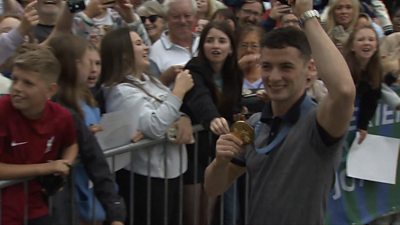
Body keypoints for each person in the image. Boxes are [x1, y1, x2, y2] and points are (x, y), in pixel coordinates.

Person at [204, 0, 356, 224]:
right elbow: (213, 188)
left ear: (309, 69)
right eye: (267, 66)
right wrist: (220, 162)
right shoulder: (256, 124)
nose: (274, 77)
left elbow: (344, 91)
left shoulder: (318, 122)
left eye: (286, 67)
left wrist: (306, 15)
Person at [100, 27, 194, 225]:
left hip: (173, 172)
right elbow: (154, 126)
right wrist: (179, 90)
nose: (146, 48)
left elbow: (171, 111)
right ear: (123, 54)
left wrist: (183, 117)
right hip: (148, 179)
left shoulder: (149, 80)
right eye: (138, 44)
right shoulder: (120, 91)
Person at [47, 33, 125, 225]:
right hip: (71, 192)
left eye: (97, 63)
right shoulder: (61, 109)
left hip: (90, 186)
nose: (92, 69)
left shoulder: (89, 99)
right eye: (86, 62)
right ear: (74, 65)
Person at [0, 44, 78, 225]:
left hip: (35, 208)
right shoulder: (3, 111)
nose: (17, 88)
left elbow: (71, 144)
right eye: (15, 79)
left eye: (28, 83)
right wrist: (47, 168)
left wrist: (65, 164)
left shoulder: (62, 116)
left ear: (50, 90)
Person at [181, 21, 242, 225]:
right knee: (193, 213)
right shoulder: (194, 67)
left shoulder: (234, 72)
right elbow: (199, 97)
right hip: (193, 150)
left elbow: (234, 105)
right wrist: (212, 118)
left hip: (216, 149)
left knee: (208, 211)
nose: (216, 46)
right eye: (210, 40)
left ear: (231, 48)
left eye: (222, 41)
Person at [343, 25, 382, 144]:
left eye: (371, 39)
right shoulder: (343, 67)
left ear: (376, 47)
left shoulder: (376, 69)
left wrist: (363, 126)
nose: (366, 43)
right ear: (352, 47)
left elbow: (371, 100)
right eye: (361, 40)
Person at [148, 0, 198, 85]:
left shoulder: (204, 43)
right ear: (166, 19)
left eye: (187, 16)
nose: (182, 21)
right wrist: (165, 79)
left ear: (195, 17)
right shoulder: (155, 52)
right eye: (176, 17)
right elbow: (151, 93)